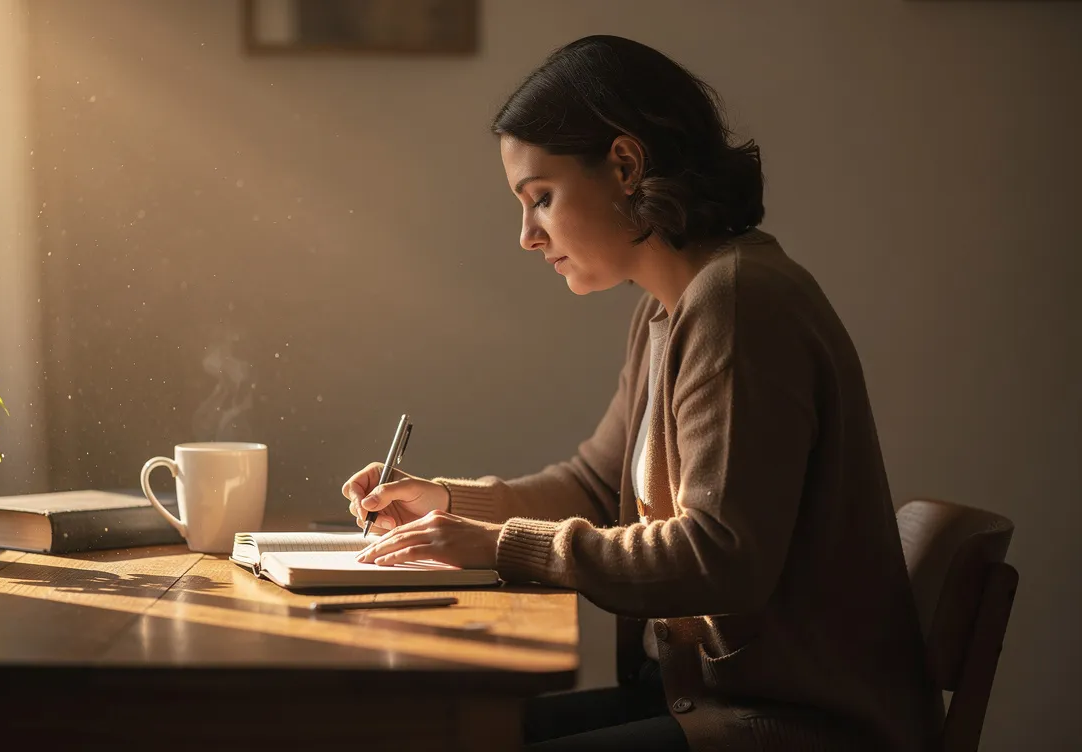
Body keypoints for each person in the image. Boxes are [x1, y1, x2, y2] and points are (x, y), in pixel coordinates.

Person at [342, 35, 944, 751]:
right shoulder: (668, 310)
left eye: (541, 198)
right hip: (713, 700)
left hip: (798, 725)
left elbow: (720, 557)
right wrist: (446, 503)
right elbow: (596, 487)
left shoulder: (738, 304)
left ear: (625, 166)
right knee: (449, 730)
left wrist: (502, 546)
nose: (527, 236)